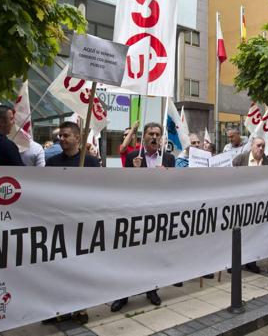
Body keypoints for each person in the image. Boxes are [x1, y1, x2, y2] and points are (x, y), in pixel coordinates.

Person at [111, 122, 174, 312]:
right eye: (150, 134)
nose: (154, 137)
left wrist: (167, 176)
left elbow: (175, 188)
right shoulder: (133, 157)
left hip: (157, 215)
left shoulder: (169, 159)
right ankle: (123, 294)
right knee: (129, 255)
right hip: (135, 214)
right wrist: (135, 172)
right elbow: (125, 187)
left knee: (152, 255)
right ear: (144, 136)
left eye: (157, 134)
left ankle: (151, 289)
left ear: (161, 137)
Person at [44, 121, 98, 324]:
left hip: (82, 223)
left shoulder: (91, 163)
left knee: (80, 267)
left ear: (77, 138)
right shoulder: (52, 162)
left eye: (66, 136)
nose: (62, 139)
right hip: (58, 221)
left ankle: (80, 307)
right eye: (60, 136)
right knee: (58, 267)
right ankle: (58, 309)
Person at [231, 137, 268, 273]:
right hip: (241, 202)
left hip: (258, 205)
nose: (261, 148)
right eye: (258, 146)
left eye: (263, 146)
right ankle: (234, 263)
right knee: (238, 233)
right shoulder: (240, 159)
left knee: (255, 233)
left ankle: (251, 262)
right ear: (251, 146)